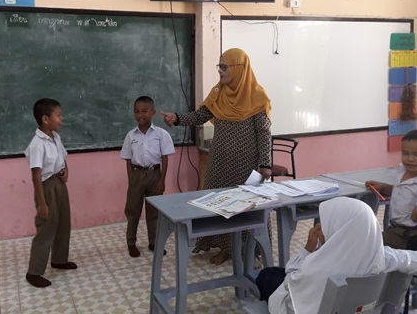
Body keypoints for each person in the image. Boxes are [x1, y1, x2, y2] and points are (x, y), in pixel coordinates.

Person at [162, 48, 272, 265]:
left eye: (224, 67)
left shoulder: (257, 96)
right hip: (220, 163)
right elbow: (200, 116)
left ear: (239, 68)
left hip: (246, 165)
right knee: (220, 206)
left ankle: (251, 251)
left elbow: (264, 132)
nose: (220, 71)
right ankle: (226, 248)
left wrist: (265, 163)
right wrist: (177, 118)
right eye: (219, 66)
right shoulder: (218, 93)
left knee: (246, 206)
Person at [256, 197, 417, 314]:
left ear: (340, 232)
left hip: (312, 304)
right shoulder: (381, 256)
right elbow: (409, 259)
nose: (321, 227)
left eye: (327, 224)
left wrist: (306, 250)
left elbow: (290, 282)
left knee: (267, 275)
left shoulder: (316, 269)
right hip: (356, 306)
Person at [24, 98, 77, 288]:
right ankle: (34, 272)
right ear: (45, 119)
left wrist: (66, 170)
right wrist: (42, 203)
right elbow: (36, 176)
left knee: (63, 223)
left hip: (59, 183)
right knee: (46, 228)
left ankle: (59, 260)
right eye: (58, 115)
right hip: (46, 187)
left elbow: (62, 157)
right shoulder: (37, 144)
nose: (61, 119)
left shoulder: (55, 137)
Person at [120, 96, 175, 258]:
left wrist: (162, 180)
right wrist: (131, 179)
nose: (140, 115)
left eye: (144, 111)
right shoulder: (131, 136)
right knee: (132, 211)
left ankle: (154, 242)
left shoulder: (161, 134)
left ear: (153, 112)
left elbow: (165, 158)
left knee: (154, 212)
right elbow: (128, 159)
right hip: (137, 175)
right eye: (137, 111)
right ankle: (131, 243)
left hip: (155, 174)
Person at [365, 129, 417, 249]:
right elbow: (402, 192)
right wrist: (384, 187)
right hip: (395, 227)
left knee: (370, 245)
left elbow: (414, 217)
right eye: (405, 153)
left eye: (416, 155)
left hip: (409, 234)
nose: (410, 159)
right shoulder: (402, 171)